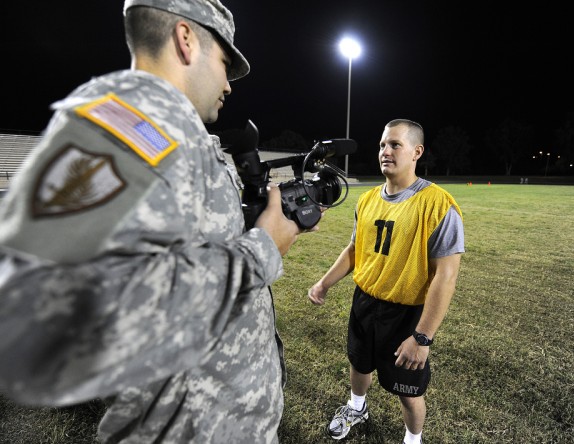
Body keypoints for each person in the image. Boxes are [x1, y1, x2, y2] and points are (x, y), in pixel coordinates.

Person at [0, 1, 307, 442]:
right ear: (185, 40)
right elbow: (36, 329)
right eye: (224, 63)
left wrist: (254, 226)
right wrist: (260, 251)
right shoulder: (130, 128)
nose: (228, 85)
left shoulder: (177, 133)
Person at [308, 119, 465, 444]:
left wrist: (422, 338)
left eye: (395, 144)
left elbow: (446, 276)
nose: (386, 151)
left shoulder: (438, 205)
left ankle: (413, 438)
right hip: (365, 302)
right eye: (382, 145)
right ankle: (357, 407)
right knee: (359, 363)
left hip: (406, 315)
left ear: (417, 152)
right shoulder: (367, 200)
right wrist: (324, 283)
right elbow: (355, 251)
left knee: (408, 392)